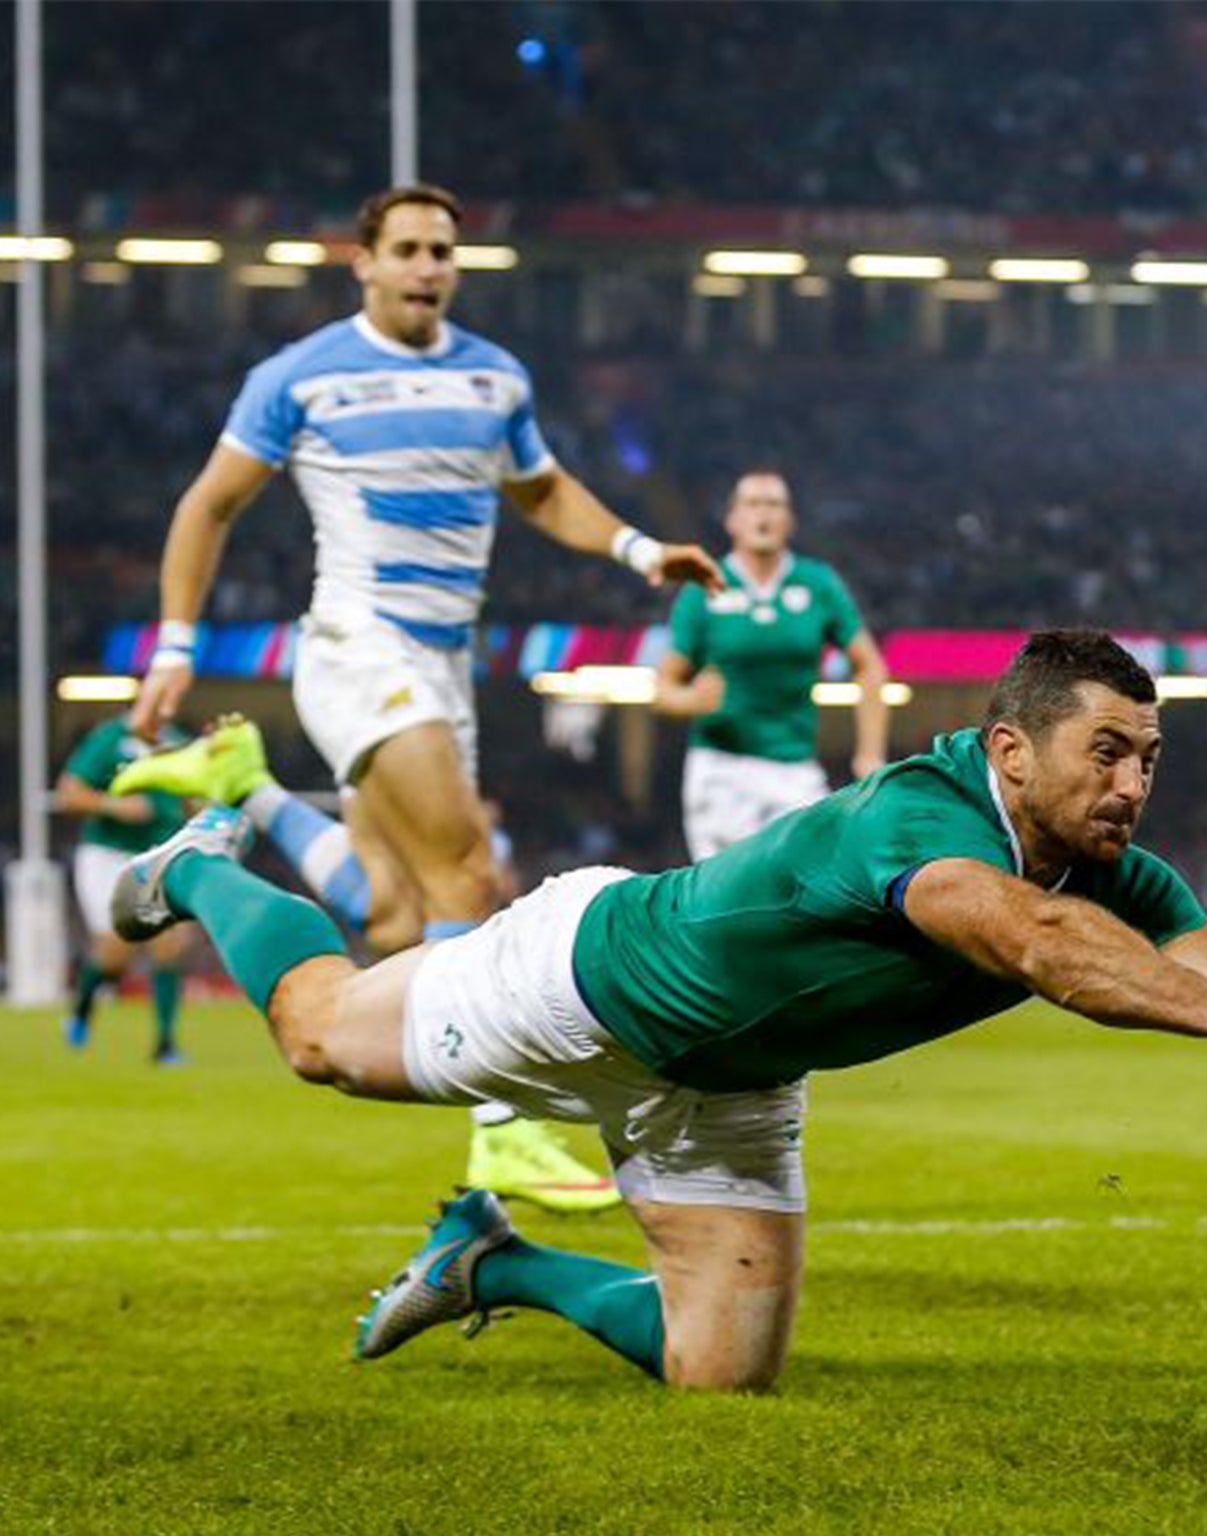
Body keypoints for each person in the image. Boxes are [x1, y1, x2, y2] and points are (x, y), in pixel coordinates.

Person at [108, 630, 1207, 1390]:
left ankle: (491, 1261)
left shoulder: (1119, 869)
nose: (1132, 784)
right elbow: (1036, 944)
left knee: (716, 1371)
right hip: (581, 983)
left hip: (730, 1085)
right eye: (1107, 751)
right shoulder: (919, 817)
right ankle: (206, 861)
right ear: (1010, 752)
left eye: (1148, 757)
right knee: (317, 1033)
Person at [119, 182, 720, 1212]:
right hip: (359, 646)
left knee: (393, 910)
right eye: (406, 248)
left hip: (443, 664)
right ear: (365, 262)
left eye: (442, 249)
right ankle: (504, 1138)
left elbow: (540, 489)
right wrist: (174, 645)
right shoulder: (301, 377)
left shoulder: (494, 378)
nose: (427, 266)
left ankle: (241, 804)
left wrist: (635, 548)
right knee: (464, 873)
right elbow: (207, 504)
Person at [654, 468, 891, 860]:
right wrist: (690, 701)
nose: (763, 514)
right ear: (731, 520)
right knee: (730, 908)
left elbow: (870, 666)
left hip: (795, 769)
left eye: (774, 504)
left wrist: (870, 754)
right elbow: (663, 688)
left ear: (790, 521)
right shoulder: (703, 588)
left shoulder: (818, 583)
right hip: (721, 771)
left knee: (813, 891)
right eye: (752, 504)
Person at [53, 714, 195, 1063]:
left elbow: (192, 799)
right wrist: (115, 805)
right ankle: (82, 1009)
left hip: (158, 854)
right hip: (107, 855)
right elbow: (68, 793)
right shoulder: (110, 737)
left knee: (170, 943)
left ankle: (165, 1044)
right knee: (116, 952)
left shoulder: (179, 742)